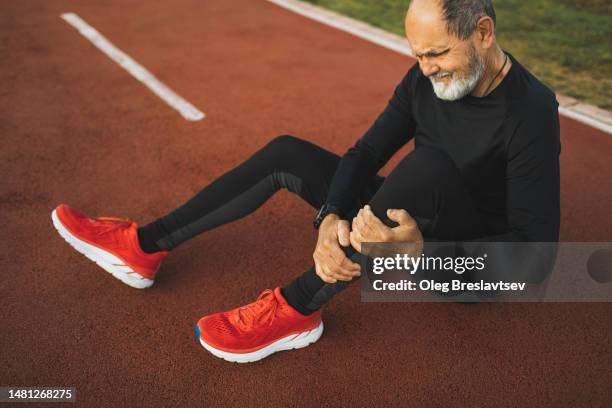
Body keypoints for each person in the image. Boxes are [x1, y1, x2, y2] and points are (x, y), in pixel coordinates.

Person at [51, 0, 560, 363]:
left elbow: (536, 261)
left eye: (438, 55)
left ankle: (298, 308)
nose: (426, 69)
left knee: (427, 166)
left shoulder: (531, 111)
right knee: (288, 152)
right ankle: (145, 245)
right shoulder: (422, 76)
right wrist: (330, 214)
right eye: (418, 55)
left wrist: (420, 253)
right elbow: (365, 152)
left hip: (462, 264)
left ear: (484, 33)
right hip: (406, 218)